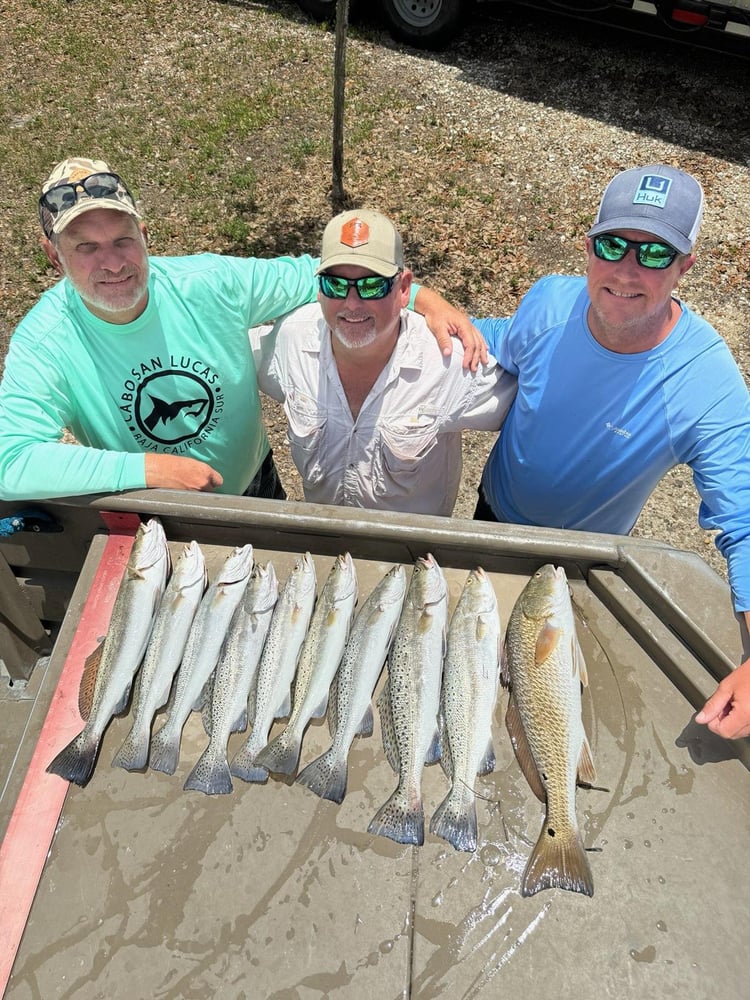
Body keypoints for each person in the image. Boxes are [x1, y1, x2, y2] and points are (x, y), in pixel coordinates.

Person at [0, 157, 482, 502]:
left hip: (256, 482)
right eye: (85, 247)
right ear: (53, 254)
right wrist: (149, 471)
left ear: (144, 237)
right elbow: (9, 462)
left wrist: (421, 298)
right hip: (145, 502)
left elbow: (326, 274)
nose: (112, 263)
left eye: (123, 239)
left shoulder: (212, 283)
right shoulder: (46, 341)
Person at [464, 163, 750, 740]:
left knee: (551, 714)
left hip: (586, 565)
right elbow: (494, 338)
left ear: (685, 266)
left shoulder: (706, 382)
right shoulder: (549, 302)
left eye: (654, 254)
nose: (626, 270)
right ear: (589, 245)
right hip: (491, 524)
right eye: (613, 244)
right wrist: (421, 302)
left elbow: (744, 521)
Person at [250, 209, 516, 515]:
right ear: (319, 289)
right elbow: (229, 358)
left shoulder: (446, 365)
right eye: (335, 285)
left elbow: (531, 409)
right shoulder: (291, 342)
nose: (351, 304)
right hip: (324, 544)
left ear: (403, 289)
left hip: (411, 554)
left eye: (372, 286)